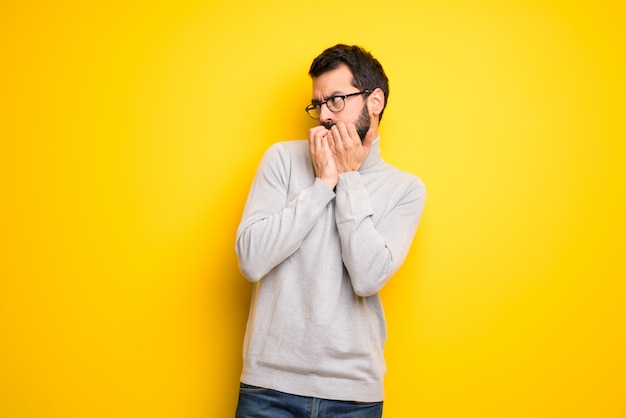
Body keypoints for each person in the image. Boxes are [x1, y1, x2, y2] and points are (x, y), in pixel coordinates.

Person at [234, 44, 426, 417]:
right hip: (268, 386)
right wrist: (323, 185)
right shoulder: (282, 160)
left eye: (336, 100)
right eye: (317, 103)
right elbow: (251, 260)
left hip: (353, 394)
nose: (323, 115)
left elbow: (368, 277)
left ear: (375, 102)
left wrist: (349, 177)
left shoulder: (405, 189)